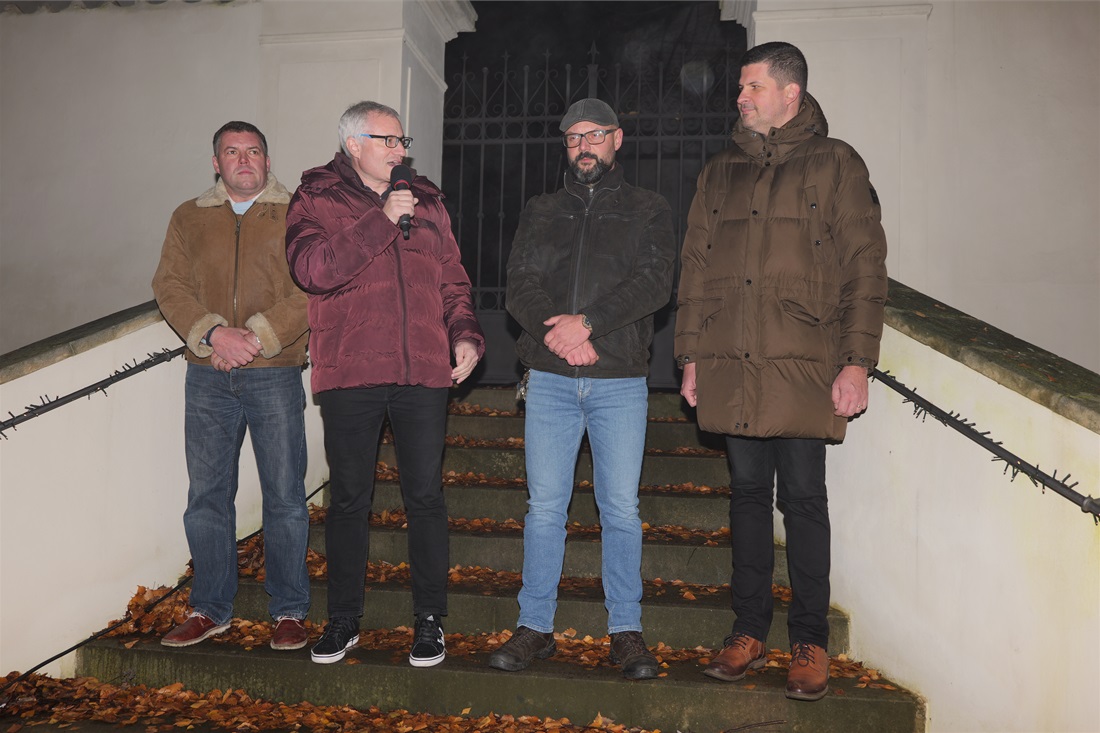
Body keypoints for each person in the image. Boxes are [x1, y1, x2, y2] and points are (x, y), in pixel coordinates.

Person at [675, 41, 888, 701]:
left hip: (803, 362)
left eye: (754, 87)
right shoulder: (721, 171)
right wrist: (690, 355)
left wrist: (857, 361)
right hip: (731, 362)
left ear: (790, 93)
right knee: (745, 496)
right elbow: (695, 266)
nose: (741, 98)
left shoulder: (836, 163)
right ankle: (748, 629)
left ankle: (809, 639)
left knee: (802, 498)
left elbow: (865, 267)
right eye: (741, 88)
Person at [285, 100, 484, 668]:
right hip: (351, 370)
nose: (400, 150)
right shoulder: (315, 197)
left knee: (426, 496)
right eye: (388, 140)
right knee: (350, 498)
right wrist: (380, 219)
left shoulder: (428, 201)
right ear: (353, 144)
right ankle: (344, 619)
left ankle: (429, 621)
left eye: (402, 141)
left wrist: (465, 334)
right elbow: (312, 271)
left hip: (422, 370)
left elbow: (452, 279)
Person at [489, 98, 677, 680]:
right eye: (573, 138)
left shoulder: (649, 208)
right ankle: (535, 627)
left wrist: (588, 324)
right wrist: (562, 337)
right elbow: (519, 283)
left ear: (617, 139)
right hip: (550, 379)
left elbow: (654, 283)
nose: (583, 146)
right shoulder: (542, 209)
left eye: (594, 135)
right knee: (545, 509)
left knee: (620, 509)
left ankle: (625, 631)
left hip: (618, 381)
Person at [152, 121, 311, 652]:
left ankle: (289, 610)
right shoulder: (188, 217)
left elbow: (312, 288)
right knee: (206, 498)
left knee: (285, 496)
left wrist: (256, 339)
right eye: (232, 152)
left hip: (275, 372)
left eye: (254, 151)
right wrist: (214, 334)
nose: (244, 160)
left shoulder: (299, 213)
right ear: (216, 163)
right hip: (208, 376)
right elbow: (169, 286)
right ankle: (210, 608)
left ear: (267, 160)